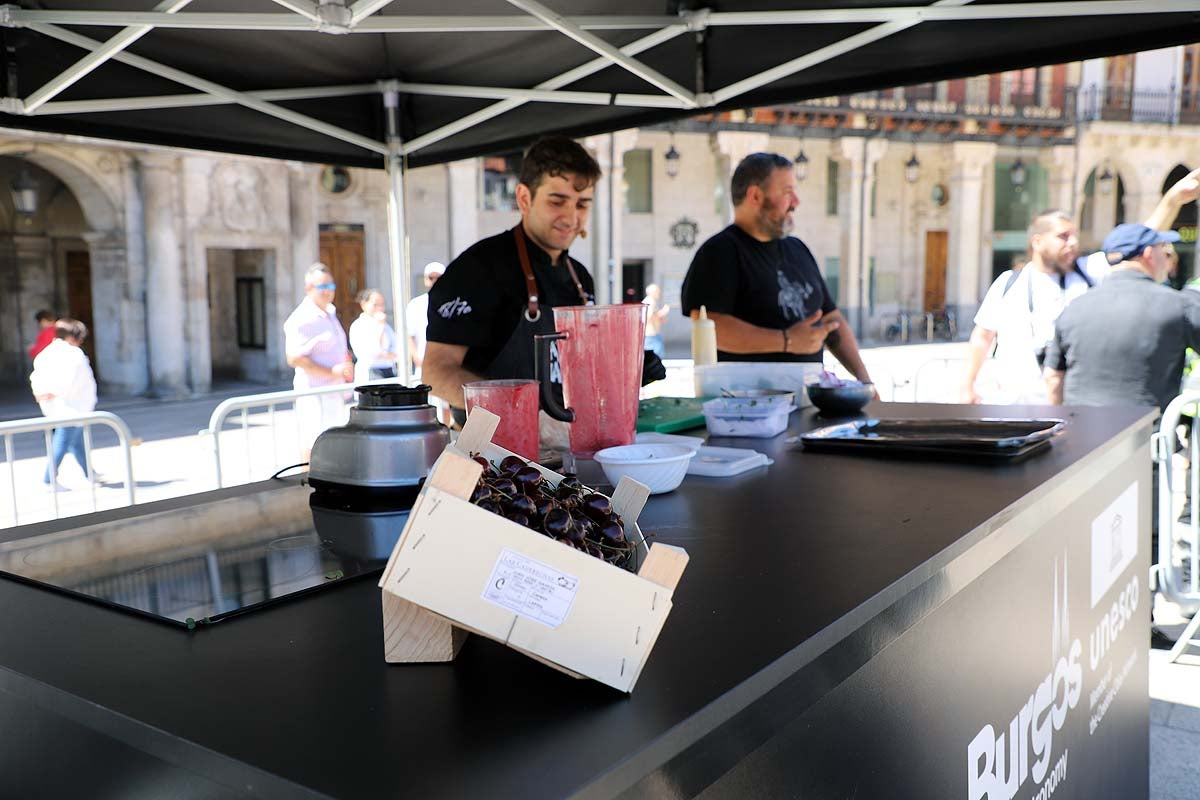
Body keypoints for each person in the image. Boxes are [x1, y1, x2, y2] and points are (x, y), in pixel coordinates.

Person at [422, 136, 603, 437]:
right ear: (524, 198)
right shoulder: (478, 268)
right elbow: (436, 372)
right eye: (557, 201)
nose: (571, 218)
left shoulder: (580, 277)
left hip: (565, 442)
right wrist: (513, 414)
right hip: (492, 451)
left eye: (582, 204)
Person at [678, 152, 873, 385]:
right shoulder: (720, 251)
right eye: (787, 192)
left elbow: (831, 318)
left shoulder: (798, 248)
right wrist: (786, 340)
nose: (796, 202)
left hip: (808, 404)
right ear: (756, 196)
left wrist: (865, 381)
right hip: (746, 410)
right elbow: (709, 327)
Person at [1044, 223, 1195, 413]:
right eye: (1162, 250)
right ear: (1149, 253)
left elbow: (1053, 377)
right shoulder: (1178, 304)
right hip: (1145, 435)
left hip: (1081, 434)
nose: (1166, 258)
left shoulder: (1074, 307)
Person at [284, 264, 353, 460]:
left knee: (333, 442)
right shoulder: (302, 318)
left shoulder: (329, 312)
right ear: (309, 289)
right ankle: (308, 485)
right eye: (322, 287)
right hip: (315, 392)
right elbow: (294, 358)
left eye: (330, 286)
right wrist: (332, 371)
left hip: (333, 391)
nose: (327, 291)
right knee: (313, 443)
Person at [29, 318, 97, 491]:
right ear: (74, 336)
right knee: (64, 441)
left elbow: (36, 378)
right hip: (71, 406)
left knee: (75, 441)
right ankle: (48, 479)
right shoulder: (74, 354)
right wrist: (56, 392)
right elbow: (72, 380)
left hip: (55, 405)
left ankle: (89, 473)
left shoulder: (46, 353)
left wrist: (42, 395)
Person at [349, 288, 399, 384]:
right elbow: (373, 351)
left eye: (382, 304)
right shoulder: (358, 326)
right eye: (375, 305)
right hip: (371, 372)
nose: (379, 308)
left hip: (389, 371)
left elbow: (397, 348)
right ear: (363, 304)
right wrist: (380, 327)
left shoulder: (386, 326)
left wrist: (389, 355)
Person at [406, 261, 444, 375]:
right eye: (431, 277)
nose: (435, 281)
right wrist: (417, 360)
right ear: (426, 280)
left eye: (439, 277)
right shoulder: (416, 304)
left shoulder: (454, 302)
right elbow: (409, 335)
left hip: (447, 364)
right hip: (424, 363)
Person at [642, 283, 670, 359]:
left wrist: (660, 318)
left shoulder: (649, 301)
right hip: (651, 334)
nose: (659, 293)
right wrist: (663, 312)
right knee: (655, 356)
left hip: (651, 333)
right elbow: (649, 317)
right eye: (657, 291)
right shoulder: (650, 301)